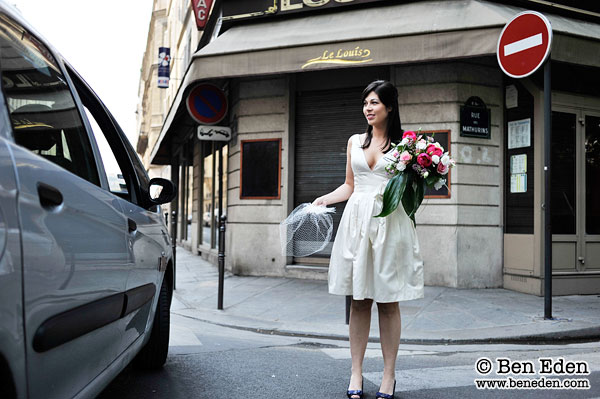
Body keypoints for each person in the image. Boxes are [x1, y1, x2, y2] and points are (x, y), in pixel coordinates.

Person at [313, 80, 424, 399]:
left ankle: (388, 376)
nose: (368, 108)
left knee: (389, 302)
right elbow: (349, 185)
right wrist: (326, 199)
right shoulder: (354, 142)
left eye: (375, 102)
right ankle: (356, 372)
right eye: (365, 103)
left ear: (390, 107)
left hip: (390, 225)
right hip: (357, 224)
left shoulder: (406, 146)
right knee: (359, 301)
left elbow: (414, 189)